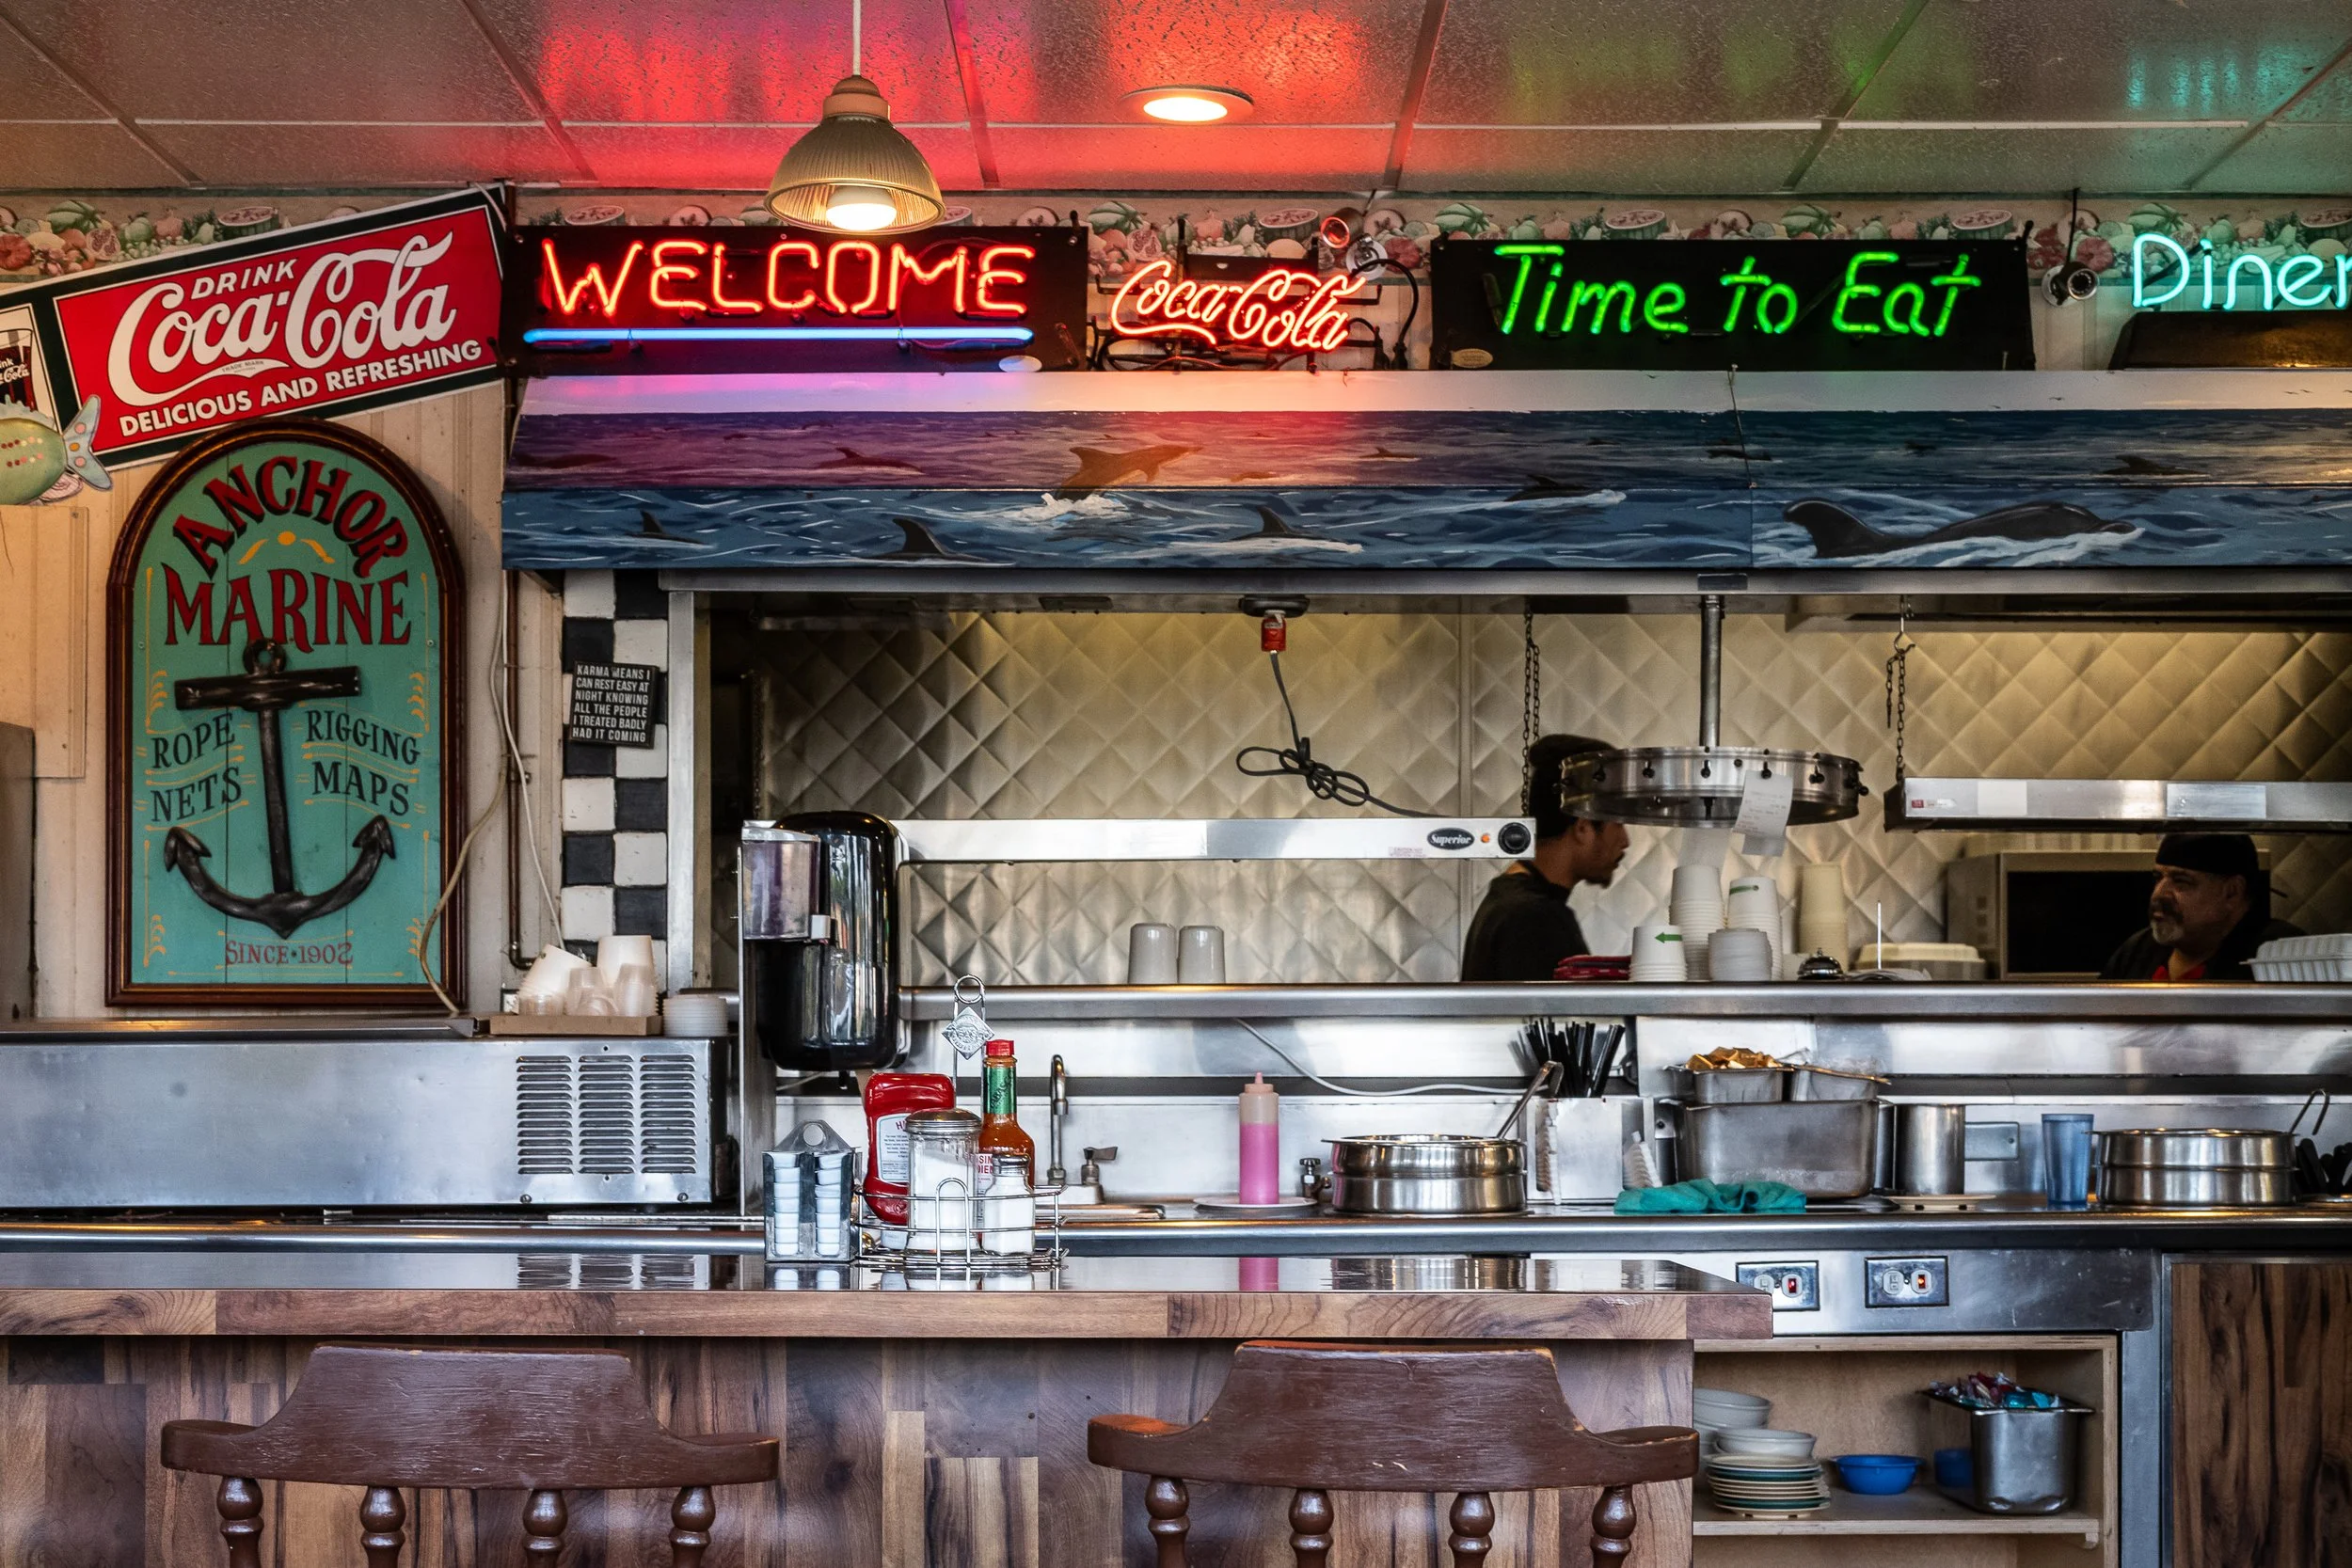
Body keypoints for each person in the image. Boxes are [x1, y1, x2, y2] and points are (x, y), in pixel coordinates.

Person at [1461, 734, 1629, 981]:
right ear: (1583, 828)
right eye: (1618, 823)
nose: (1625, 841)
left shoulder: (1513, 903)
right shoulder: (1534, 919)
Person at [2098, 833, 2301, 982]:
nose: (2158, 895)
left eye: (2181, 882)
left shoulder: (2281, 953)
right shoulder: (2138, 950)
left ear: (2232, 892)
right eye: (2158, 878)